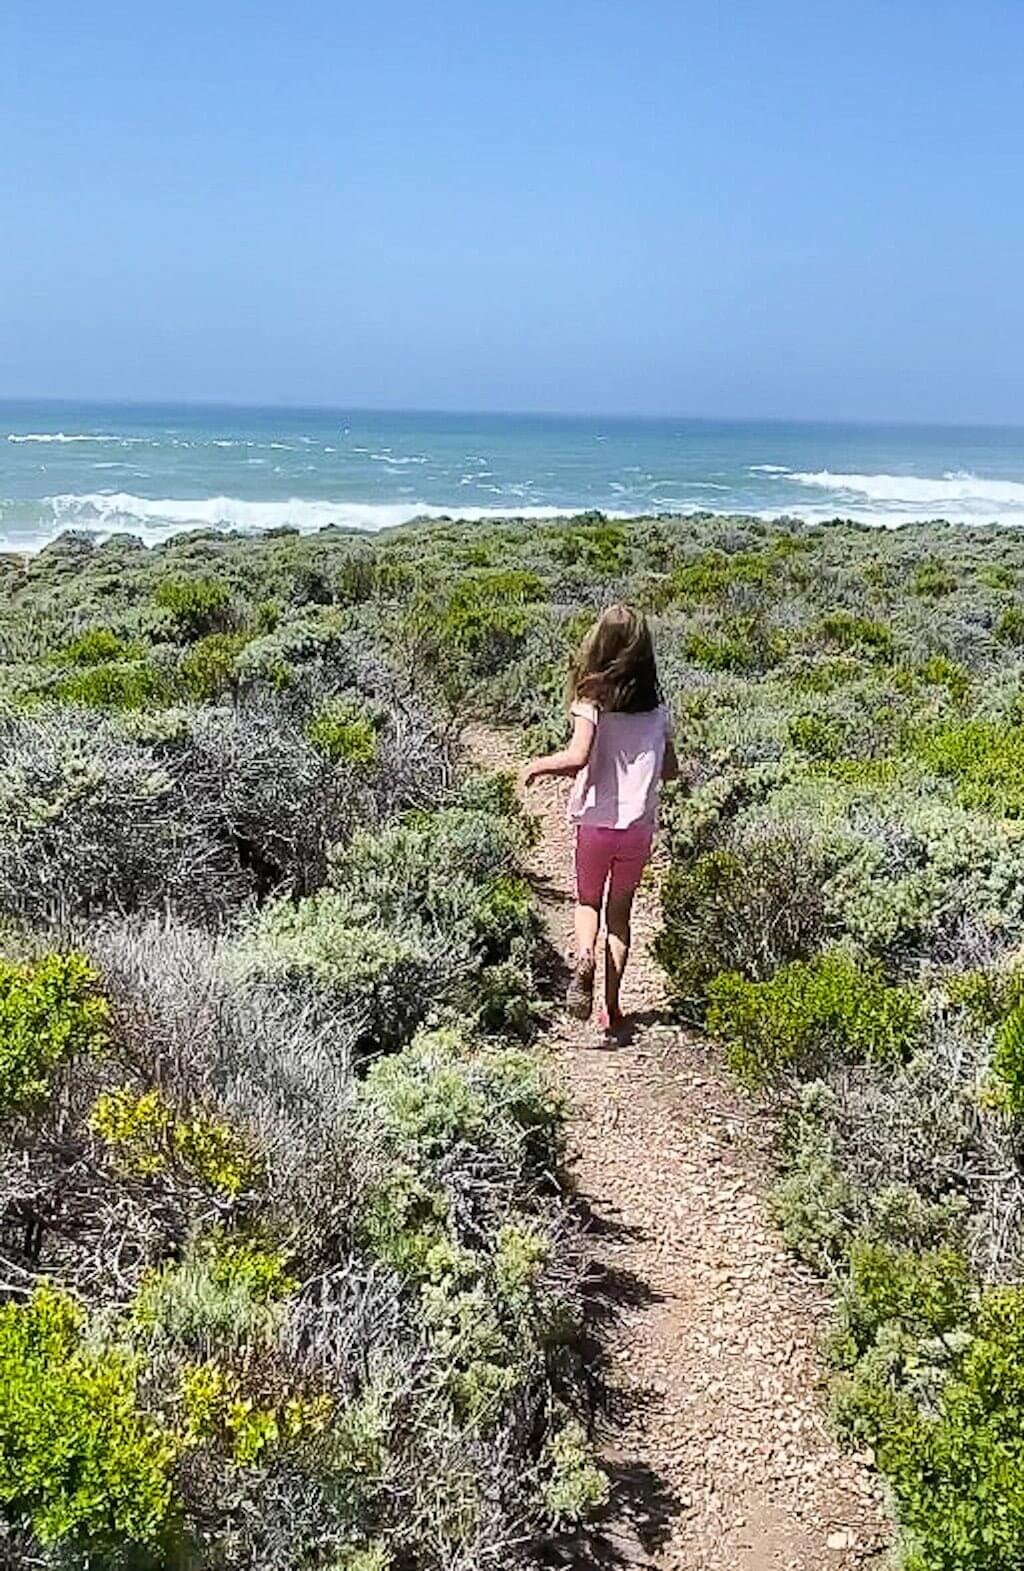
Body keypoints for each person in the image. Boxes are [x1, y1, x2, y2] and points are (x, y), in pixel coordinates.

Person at [522, 603, 677, 1034]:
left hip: (595, 822)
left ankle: (584, 955)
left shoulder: (590, 701)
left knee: (588, 901)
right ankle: (612, 1009)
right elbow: (671, 770)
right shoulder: (657, 711)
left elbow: (577, 758)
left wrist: (537, 765)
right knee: (621, 915)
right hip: (638, 827)